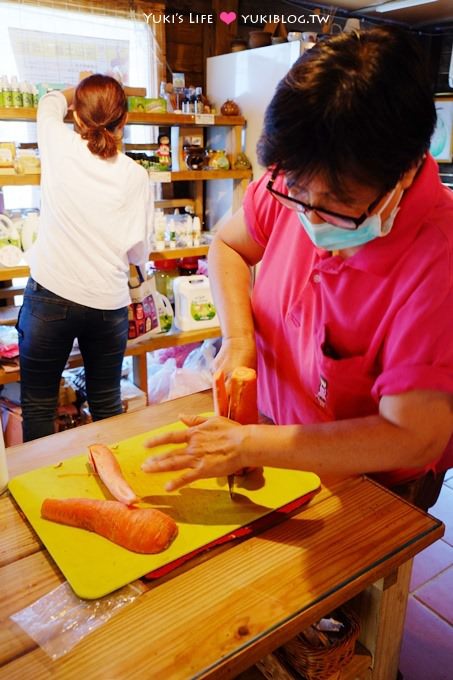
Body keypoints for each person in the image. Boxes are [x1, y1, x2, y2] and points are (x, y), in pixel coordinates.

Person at [142, 27, 453, 510]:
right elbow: (227, 244)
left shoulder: (439, 260)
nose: (307, 216)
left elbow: (412, 436)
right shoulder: (303, 172)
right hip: (275, 434)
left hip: (371, 486)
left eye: (337, 204)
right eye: (297, 194)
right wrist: (239, 340)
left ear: (408, 170)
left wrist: (246, 446)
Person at [17, 74, 151, 441]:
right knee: (107, 403)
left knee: (40, 404)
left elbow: (48, 102)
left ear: (76, 117)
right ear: (124, 121)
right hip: (108, 305)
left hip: (50, 297)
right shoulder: (137, 176)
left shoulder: (58, 144)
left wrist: (77, 92)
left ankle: (43, 493)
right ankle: (111, 491)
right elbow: (139, 252)